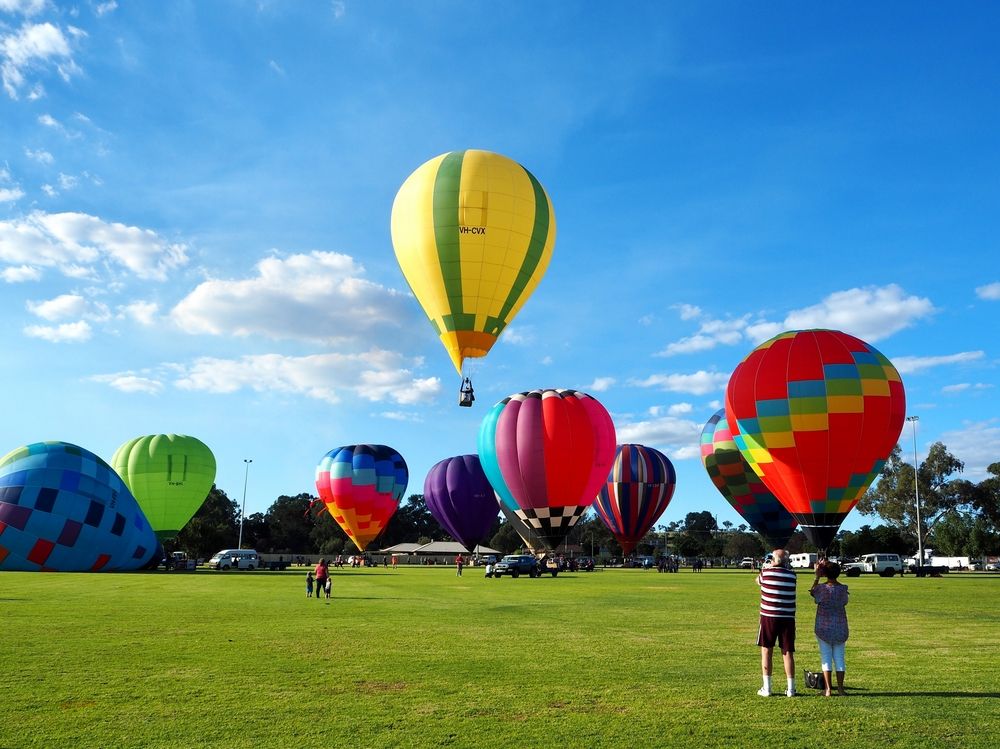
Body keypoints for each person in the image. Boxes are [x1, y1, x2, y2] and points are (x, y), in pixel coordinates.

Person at [756, 548, 797, 697]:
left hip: (768, 616)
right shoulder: (792, 576)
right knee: (787, 652)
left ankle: (767, 688)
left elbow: (758, 581)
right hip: (787, 618)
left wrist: (766, 567)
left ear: (773, 560)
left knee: (766, 650)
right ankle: (791, 689)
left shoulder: (766, 573)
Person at [810, 560, 849, 697]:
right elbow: (845, 601)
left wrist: (817, 576)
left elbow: (813, 593)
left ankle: (827, 689)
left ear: (825, 573)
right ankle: (840, 689)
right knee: (840, 658)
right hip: (840, 627)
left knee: (825, 658)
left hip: (823, 627)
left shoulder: (821, 588)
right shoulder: (843, 589)